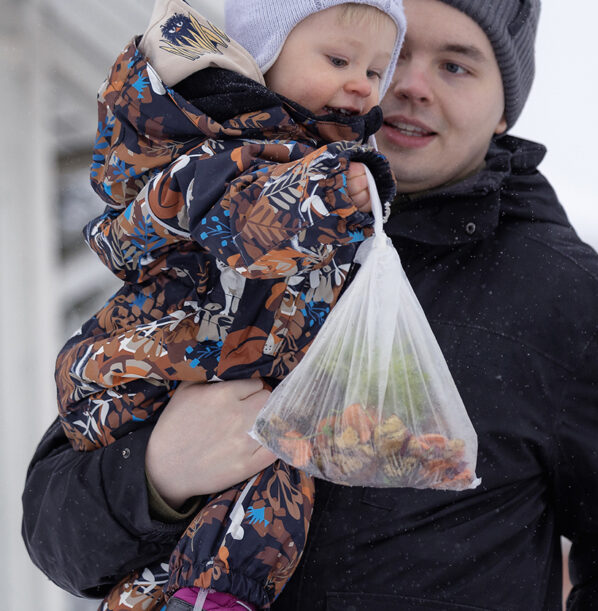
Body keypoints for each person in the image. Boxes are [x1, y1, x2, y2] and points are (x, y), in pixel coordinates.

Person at [24, 0, 598, 608]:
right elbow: (53, 535)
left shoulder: (578, 301)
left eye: (457, 66)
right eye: (394, 56)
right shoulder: (225, 220)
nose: (405, 85)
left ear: (505, 107)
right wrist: (157, 474)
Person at [50, 0, 406, 609]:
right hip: (147, 366)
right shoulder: (224, 143)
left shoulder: (307, 153)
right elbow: (245, 228)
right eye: (339, 59)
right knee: (267, 466)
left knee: (266, 479)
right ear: (265, 56)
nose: (361, 84)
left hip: (230, 371)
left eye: (376, 72)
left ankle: (207, 596)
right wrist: (328, 201)